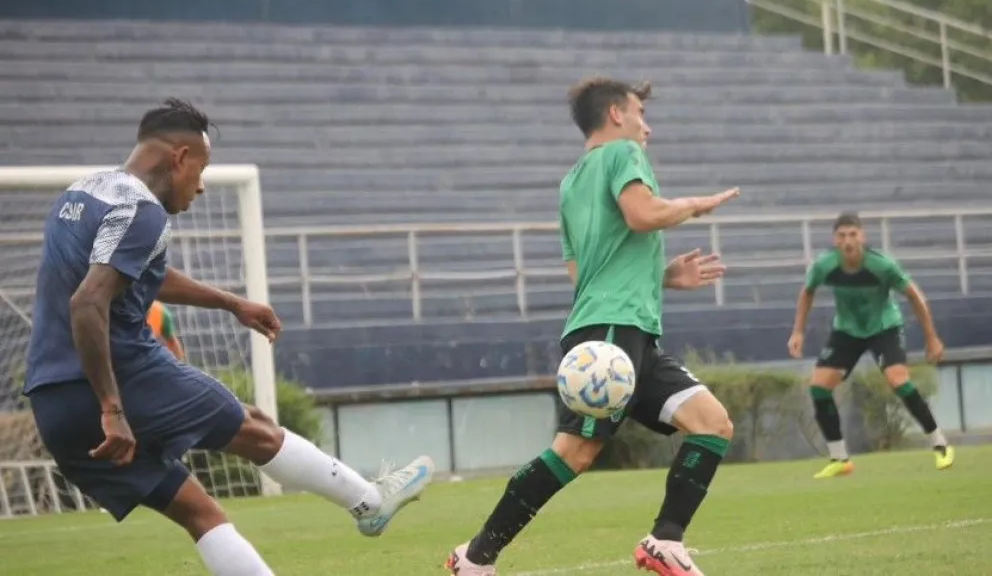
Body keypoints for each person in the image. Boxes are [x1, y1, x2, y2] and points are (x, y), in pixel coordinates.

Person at [23, 98, 434, 576]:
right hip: (117, 380)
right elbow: (87, 302)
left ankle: (365, 504)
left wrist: (231, 302)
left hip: (54, 404)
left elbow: (135, 271)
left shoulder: (82, 194)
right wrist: (111, 407)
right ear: (179, 156)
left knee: (202, 514)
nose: (200, 186)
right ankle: (369, 503)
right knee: (255, 427)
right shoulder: (144, 211)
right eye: (201, 169)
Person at [445, 77, 741, 576]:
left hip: (624, 330)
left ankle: (666, 541)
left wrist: (664, 277)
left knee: (712, 425)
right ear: (616, 115)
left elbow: (583, 273)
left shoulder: (570, 183)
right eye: (640, 113)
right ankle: (475, 558)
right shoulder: (623, 154)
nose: (647, 127)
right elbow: (642, 213)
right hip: (611, 334)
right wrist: (697, 204)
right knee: (575, 452)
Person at [788, 212, 954, 477]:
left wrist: (932, 337)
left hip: (884, 326)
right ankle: (840, 459)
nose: (848, 241)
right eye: (842, 236)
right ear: (835, 240)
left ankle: (940, 444)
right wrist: (798, 332)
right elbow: (807, 292)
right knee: (819, 387)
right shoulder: (825, 265)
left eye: (853, 235)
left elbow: (915, 296)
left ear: (862, 237)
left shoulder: (882, 266)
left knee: (897, 380)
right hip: (848, 330)